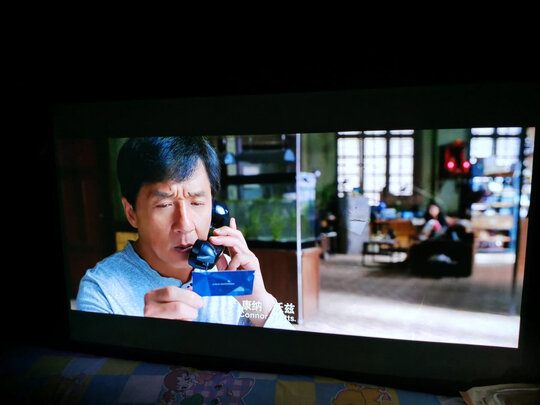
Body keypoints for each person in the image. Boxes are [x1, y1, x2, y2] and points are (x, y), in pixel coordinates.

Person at [76, 136, 294, 330]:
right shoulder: (103, 291)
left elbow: (285, 355)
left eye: (197, 203)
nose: (185, 224)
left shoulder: (226, 274)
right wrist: (145, 337)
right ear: (131, 213)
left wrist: (258, 300)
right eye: (164, 205)